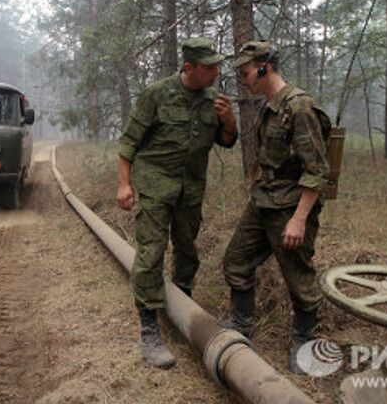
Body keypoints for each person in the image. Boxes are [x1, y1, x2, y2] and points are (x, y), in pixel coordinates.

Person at [117, 37, 238, 368]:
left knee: (186, 248)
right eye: (209, 66)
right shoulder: (157, 94)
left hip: (191, 190)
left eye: (217, 65)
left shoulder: (215, 100)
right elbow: (129, 142)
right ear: (189, 68)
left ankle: (180, 301)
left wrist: (230, 122)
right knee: (151, 252)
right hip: (156, 185)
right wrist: (125, 185)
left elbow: (227, 142)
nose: (216, 71)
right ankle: (149, 328)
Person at [221, 40, 329, 374]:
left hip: (289, 208)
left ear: (265, 67)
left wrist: (299, 219)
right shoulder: (270, 106)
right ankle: (242, 324)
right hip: (263, 201)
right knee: (236, 261)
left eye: (246, 71)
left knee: (299, 278)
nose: (243, 78)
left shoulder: (299, 107)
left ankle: (304, 341)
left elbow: (317, 171)